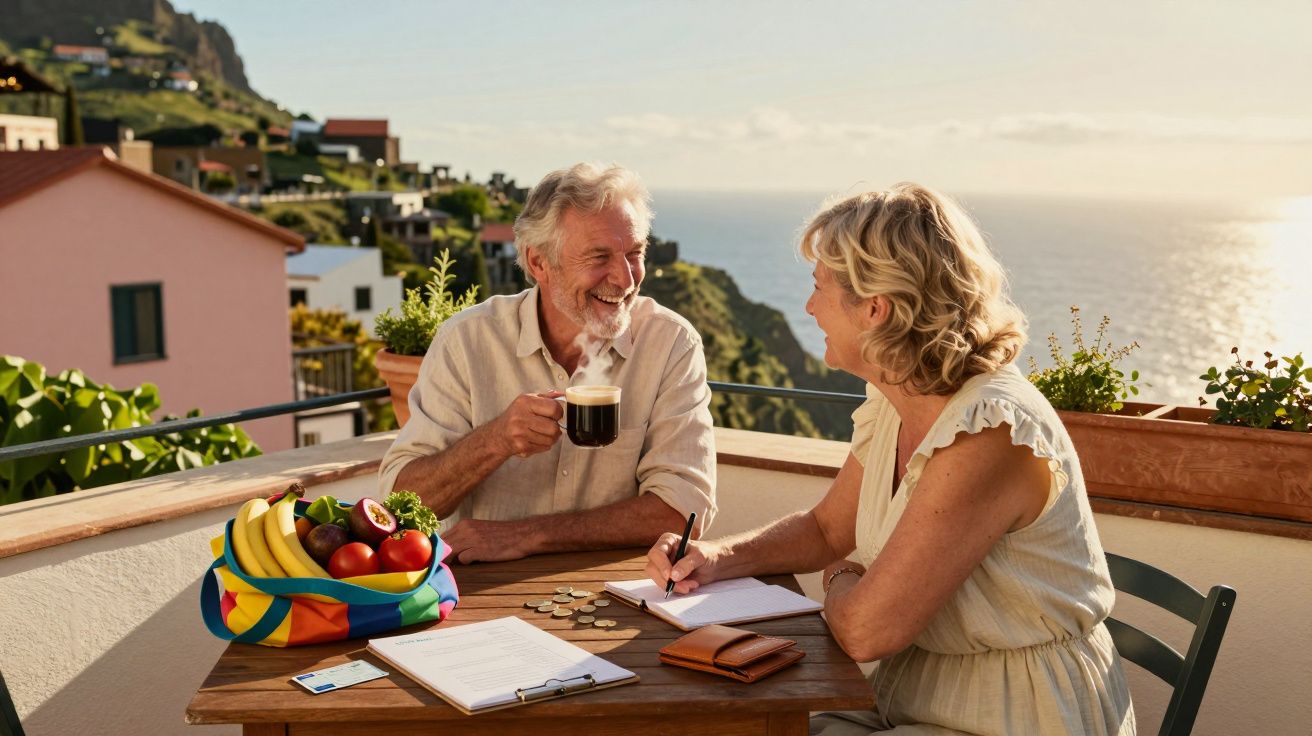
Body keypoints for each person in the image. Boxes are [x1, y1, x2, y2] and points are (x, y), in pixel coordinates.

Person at [646, 184, 1135, 735]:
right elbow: (829, 529)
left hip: (1017, 712)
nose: (809, 307)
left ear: (875, 309)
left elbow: (863, 633)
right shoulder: (896, 395)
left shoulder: (990, 431)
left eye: (819, 289)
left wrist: (845, 577)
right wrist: (717, 556)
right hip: (915, 690)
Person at [380, 163, 716, 564]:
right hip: (480, 593)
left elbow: (684, 510)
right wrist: (496, 439)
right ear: (539, 263)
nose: (626, 279)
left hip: (616, 595)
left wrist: (529, 535)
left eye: (634, 253)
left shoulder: (671, 343)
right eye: (599, 257)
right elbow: (398, 504)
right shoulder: (466, 341)